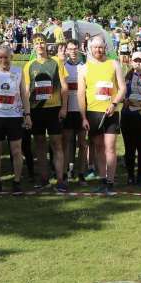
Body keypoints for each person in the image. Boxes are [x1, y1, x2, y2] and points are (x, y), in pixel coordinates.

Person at [78, 35, 127, 195]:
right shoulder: (84, 68)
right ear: (90, 49)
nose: (98, 50)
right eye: (95, 48)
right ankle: (103, 179)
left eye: (101, 47)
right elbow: (80, 95)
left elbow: (122, 88)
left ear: (105, 47)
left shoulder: (114, 64)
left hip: (111, 112)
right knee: (98, 147)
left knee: (110, 148)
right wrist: (83, 117)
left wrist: (114, 104)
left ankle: (111, 182)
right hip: (93, 113)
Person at [23, 33, 69, 191]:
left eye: (42, 42)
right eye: (36, 43)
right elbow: (27, 91)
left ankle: (60, 179)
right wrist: (26, 113)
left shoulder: (56, 62)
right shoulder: (29, 66)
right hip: (36, 110)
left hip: (54, 109)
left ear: (46, 44)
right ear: (33, 46)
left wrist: (64, 108)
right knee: (40, 144)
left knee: (57, 144)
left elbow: (64, 87)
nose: (40, 45)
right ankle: (43, 178)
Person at [0, 44, 30, 194]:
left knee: (16, 151)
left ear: (12, 57)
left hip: (15, 117)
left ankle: (17, 182)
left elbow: (24, 95)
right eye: (1, 57)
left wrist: (27, 115)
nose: (4, 60)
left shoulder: (18, 71)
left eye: (6, 57)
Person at [62, 39, 88, 184]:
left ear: (78, 49)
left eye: (75, 48)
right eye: (70, 48)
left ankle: (81, 173)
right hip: (68, 111)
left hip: (81, 111)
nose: (72, 51)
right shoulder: (63, 67)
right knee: (67, 142)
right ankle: (66, 173)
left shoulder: (84, 67)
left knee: (83, 143)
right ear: (66, 50)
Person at [121, 52, 141, 186]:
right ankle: (130, 175)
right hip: (128, 116)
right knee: (129, 148)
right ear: (131, 62)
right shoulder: (125, 77)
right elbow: (118, 93)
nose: (138, 63)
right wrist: (123, 100)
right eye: (135, 61)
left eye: (140, 61)